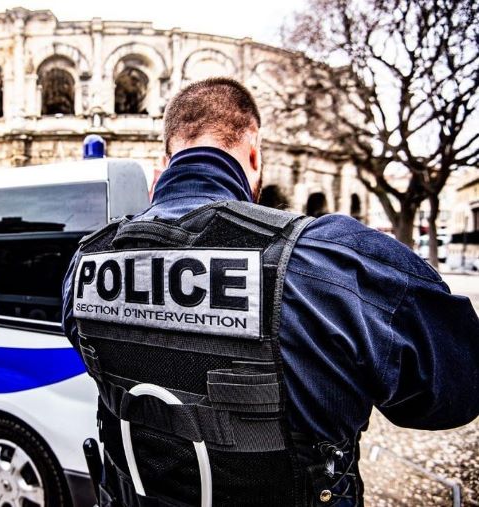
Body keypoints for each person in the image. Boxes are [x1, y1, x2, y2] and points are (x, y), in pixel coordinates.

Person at [62, 77, 479, 506]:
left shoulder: (86, 263)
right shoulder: (332, 261)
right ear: (255, 153)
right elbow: (453, 393)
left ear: (163, 165)